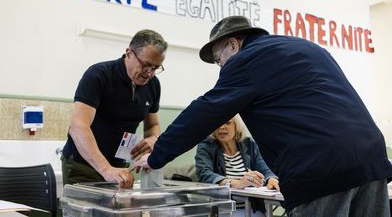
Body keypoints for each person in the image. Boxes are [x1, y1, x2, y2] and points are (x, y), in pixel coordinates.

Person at [134, 16, 392, 216]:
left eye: (218, 59)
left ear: (233, 44)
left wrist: (157, 157)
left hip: (321, 168)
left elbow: (204, 112)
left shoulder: (246, 60)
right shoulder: (304, 47)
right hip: (371, 160)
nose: (221, 67)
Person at [62, 29, 168, 189]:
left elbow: (152, 126)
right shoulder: (99, 75)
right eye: (146, 65)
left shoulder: (153, 85)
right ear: (129, 53)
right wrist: (105, 169)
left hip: (119, 166)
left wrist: (153, 140)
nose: (149, 73)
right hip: (83, 165)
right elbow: (78, 127)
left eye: (156, 68)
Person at [196, 114, 279, 217]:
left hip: (253, 208)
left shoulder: (249, 144)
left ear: (237, 126)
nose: (221, 127)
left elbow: (265, 169)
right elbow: (204, 173)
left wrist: (271, 178)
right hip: (223, 210)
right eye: (218, 123)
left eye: (228, 123)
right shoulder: (206, 146)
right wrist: (236, 183)